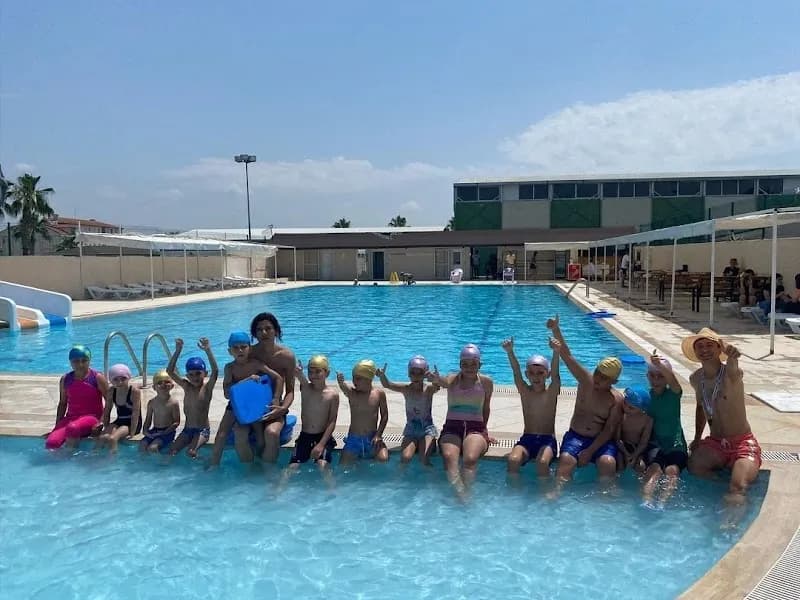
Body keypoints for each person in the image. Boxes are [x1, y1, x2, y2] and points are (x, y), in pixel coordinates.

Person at [684, 328, 761, 505]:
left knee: (738, 488)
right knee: (695, 466)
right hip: (717, 442)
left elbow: (734, 366)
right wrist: (697, 438)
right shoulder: (696, 379)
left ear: (719, 349)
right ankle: (721, 488)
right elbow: (700, 407)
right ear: (695, 352)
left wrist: (731, 353)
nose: (704, 349)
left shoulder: (730, 374)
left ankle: (731, 519)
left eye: (710, 345)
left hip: (742, 442)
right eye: (700, 346)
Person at [548, 315, 623, 492]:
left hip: (600, 441)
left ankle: (605, 497)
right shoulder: (585, 380)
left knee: (608, 463)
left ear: (614, 381)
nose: (598, 379)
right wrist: (555, 329)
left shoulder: (615, 399)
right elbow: (567, 356)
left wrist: (590, 451)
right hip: (576, 436)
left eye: (604, 379)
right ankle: (556, 493)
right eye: (597, 373)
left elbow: (608, 430)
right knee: (566, 460)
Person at [208, 331, 285, 467]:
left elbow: (278, 377)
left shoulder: (256, 365)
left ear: (249, 348)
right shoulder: (229, 368)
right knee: (221, 435)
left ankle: (258, 464)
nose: (240, 350)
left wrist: (276, 398)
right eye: (235, 348)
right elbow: (227, 393)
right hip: (236, 406)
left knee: (261, 440)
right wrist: (246, 381)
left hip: (254, 406)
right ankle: (214, 464)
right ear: (229, 351)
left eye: (243, 346)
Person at [428, 344, 493, 495]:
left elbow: (486, 407)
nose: (469, 368)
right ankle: (462, 495)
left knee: (470, 459)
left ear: (480, 365)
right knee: (450, 458)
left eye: (473, 364)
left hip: (476, 428)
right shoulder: (453, 378)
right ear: (460, 365)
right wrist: (437, 379)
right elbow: (445, 383)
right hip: (452, 427)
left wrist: (485, 431)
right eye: (465, 364)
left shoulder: (486, 382)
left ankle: (465, 492)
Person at [501, 336, 560, 478]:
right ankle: (515, 494)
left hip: (547, 440)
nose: (536, 377)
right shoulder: (525, 391)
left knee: (542, 462)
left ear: (548, 374)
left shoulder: (551, 392)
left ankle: (544, 494)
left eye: (541, 373)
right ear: (527, 375)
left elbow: (556, 376)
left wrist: (556, 352)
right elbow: (516, 371)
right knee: (513, 460)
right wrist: (510, 352)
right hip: (527, 438)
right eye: (532, 373)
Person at [249, 313, 297, 463]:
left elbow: (290, 391)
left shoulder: (286, 356)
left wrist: (282, 409)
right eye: (259, 330)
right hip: (252, 407)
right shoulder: (250, 353)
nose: (264, 333)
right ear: (254, 334)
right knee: (242, 435)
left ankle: (268, 474)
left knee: (271, 433)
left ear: (276, 331)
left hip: (275, 407)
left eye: (268, 328)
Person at [641, 353, 687, 508]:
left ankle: (662, 503)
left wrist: (661, 366)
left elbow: (674, 381)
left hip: (676, 444)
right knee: (653, 470)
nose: (656, 380)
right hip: (656, 444)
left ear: (667, 378)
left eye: (660, 376)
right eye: (652, 376)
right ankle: (646, 502)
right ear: (647, 376)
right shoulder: (647, 397)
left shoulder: (674, 394)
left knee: (672, 471)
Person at [376, 356, 439, 466]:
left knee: (424, 458)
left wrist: (435, 379)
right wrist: (382, 376)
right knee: (405, 458)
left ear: (424, 374)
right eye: (413, 372)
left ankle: (429, 480)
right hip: (411, 430)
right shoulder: (406, 389)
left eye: (419, 373)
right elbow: (387, 384)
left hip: (427, 430)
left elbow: (437, 387)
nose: (415, 376)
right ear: (409, 373)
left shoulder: (428, 390)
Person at [46, 345, 108, 449]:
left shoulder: (97, 378)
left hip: (92, 417)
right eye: (76, 361)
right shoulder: (65, 379)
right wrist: (57, 427)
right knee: (51, 443)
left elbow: (109, 401)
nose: (80, 364)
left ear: (89, 361)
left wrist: (102, 422)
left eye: (84, 360)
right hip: (71, 418)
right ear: (70, 362)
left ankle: (72, 461)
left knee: (72, 427)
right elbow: (62, 403)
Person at [165, 337, 219, 458]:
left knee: (191, 452)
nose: (195, 377)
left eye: (198, 373)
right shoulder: (186, 386)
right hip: (187, 430)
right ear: (187, 376)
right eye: (191, 374)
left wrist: (208, 350)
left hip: (202, 431)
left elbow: (215, 371)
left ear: (205, 373)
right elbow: (170, 371)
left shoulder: (207, 388)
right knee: (171, 452)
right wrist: (178, 350)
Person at [288, 355, 339, 469]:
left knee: (322, 465)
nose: (313, 375)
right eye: (310, 372)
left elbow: (332, 421)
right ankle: (279, 487)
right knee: (292, 467)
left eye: (318, 372)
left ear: (327, 373)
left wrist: (321, 444)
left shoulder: (332, 395)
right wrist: (299, 373)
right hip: (305, 436)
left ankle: (332, 487)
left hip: (323, 437)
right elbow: (300, 377)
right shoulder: (306, 388)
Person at [337, 360, 389, 465]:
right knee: (343, 465)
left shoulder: (379, 394)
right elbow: (344, 388)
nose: (354, 381)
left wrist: (378, 435)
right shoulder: (352, 393)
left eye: (358, 378)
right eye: (353, 377)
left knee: (383, 459)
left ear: (369, 378)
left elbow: (385, 416)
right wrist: (341, 382)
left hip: (372, 438)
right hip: (354, 439)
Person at [96, 363, 142, 453]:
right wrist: (106, 427)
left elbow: (135, 414)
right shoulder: (111, 391)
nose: (120, 382)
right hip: (120, 421)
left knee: (113, 438)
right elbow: (107, 410)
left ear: (129, 378)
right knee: (102, 437)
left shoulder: (134, 391)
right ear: (111, 380)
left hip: (132, 424)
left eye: (123, 379)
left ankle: (112, 462)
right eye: (116, 379)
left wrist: (132, 432)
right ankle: (95, 458)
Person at [139, 370, 181, 453]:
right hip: (155, 430)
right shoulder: (152, 402)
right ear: (154, 387)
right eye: (159, 383)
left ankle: (158, 465)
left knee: (153, 447)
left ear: (172, 386)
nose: (163, 384)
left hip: (168, 432)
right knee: (142, 444)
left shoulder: (173, 403)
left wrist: (164, 433)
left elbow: (176, 422)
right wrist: (145, 430)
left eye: (167, 382)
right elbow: (148, 420)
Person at [615, 387, 652, 473]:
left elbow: (644, 442)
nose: (626, 408)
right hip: (622, 446)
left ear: (642, 409)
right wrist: (626, 453)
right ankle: (616, 485)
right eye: (625, 403)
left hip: (638, 448)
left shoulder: (647, 420)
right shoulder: (621, 416)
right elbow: (617, 439)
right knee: (619, 462)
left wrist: (634, 456)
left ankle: (640, 486)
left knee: (641, 466)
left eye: (631, 408)